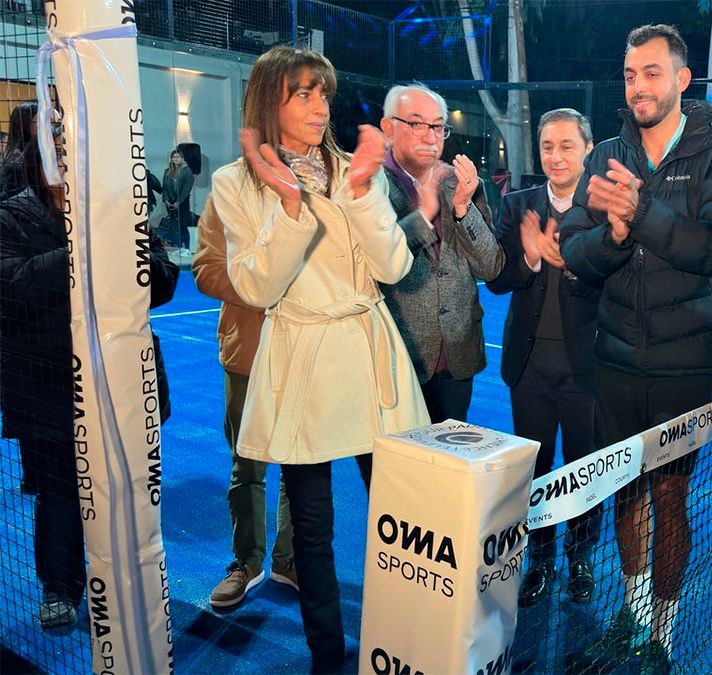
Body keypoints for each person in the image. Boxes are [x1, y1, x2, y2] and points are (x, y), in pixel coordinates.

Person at [208, 45, 429, 672]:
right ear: (269, 101)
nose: (319, 106)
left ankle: (410, 640)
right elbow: (255, 287)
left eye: (323, 93)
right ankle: (326, 655)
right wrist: (287, 207)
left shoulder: (358, 169)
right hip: (301, 358)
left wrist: (361, 195)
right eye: (302, 93)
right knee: (311, 526)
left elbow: (394, 266)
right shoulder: (234, 183)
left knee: (403, 512)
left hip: (370, 354)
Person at [560, 24, 712, 674]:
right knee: (626, 491)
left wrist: (640, 214)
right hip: (614, 356)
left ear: (681, 79)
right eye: (629, 74)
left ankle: (662, 638)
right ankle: (634, 615)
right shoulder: (607, 152)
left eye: (650, 72)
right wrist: (613, 235)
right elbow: (575, 251)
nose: (637, 86)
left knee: (670, 496)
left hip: (684, 362)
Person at [0, 101, 178, 629]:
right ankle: (60, 588)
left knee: (126, 488)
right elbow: (12, 287)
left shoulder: (118, 209)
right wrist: (83, 253)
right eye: (58, 153)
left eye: (74, 154)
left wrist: (127, 253)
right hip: (47, 383)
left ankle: (127, 581)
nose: (68, 162)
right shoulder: (11, 215)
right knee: (58, 493)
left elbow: (163, 280)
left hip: (121, 379)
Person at [486, 108, 600, 609]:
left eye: (566, 145)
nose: (555, 156)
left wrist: (571, 264)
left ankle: (581, 559)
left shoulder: (605, 206)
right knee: (536, 470)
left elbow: (616, 280)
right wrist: (530, 258)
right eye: (547, 146)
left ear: (588, 149)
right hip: (529, 366)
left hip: (587, 369)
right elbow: (497, 279)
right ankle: (540, 559)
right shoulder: (516, 206)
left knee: (584, 471)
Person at [193, 198, 298, 609]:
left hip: (303, 353)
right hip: (246, 354)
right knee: (246, 465)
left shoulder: (316, 189)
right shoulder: (228, 194)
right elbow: (207, 270)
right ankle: (247, 562)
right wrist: (264, 282)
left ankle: (290, 559)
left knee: (300, 465)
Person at [378, 83, 503, 424]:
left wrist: (463, 208)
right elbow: (376, 264)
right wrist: (424, 213)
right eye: (416, 123)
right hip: (395, 359)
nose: (430, 136)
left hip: (457, 357)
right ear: (388, 128)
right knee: (397, 457)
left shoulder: (462, 184)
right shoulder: (369, 185)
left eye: (437, 126)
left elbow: (490, 267)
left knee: (449, 453)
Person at [161, 148, 194, 251]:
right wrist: (166, 200)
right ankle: (178, 247)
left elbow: (186, 189)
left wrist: (178, 202)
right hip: (170, 203)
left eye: (178, 157)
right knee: (174, 226)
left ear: (182, 158)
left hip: (182, 203)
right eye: (174, 157)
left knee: (182, 226)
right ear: (171, 159)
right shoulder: (167, 171)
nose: (176, 158)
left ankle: (186, 248)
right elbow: (164, 187)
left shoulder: (187, 171)